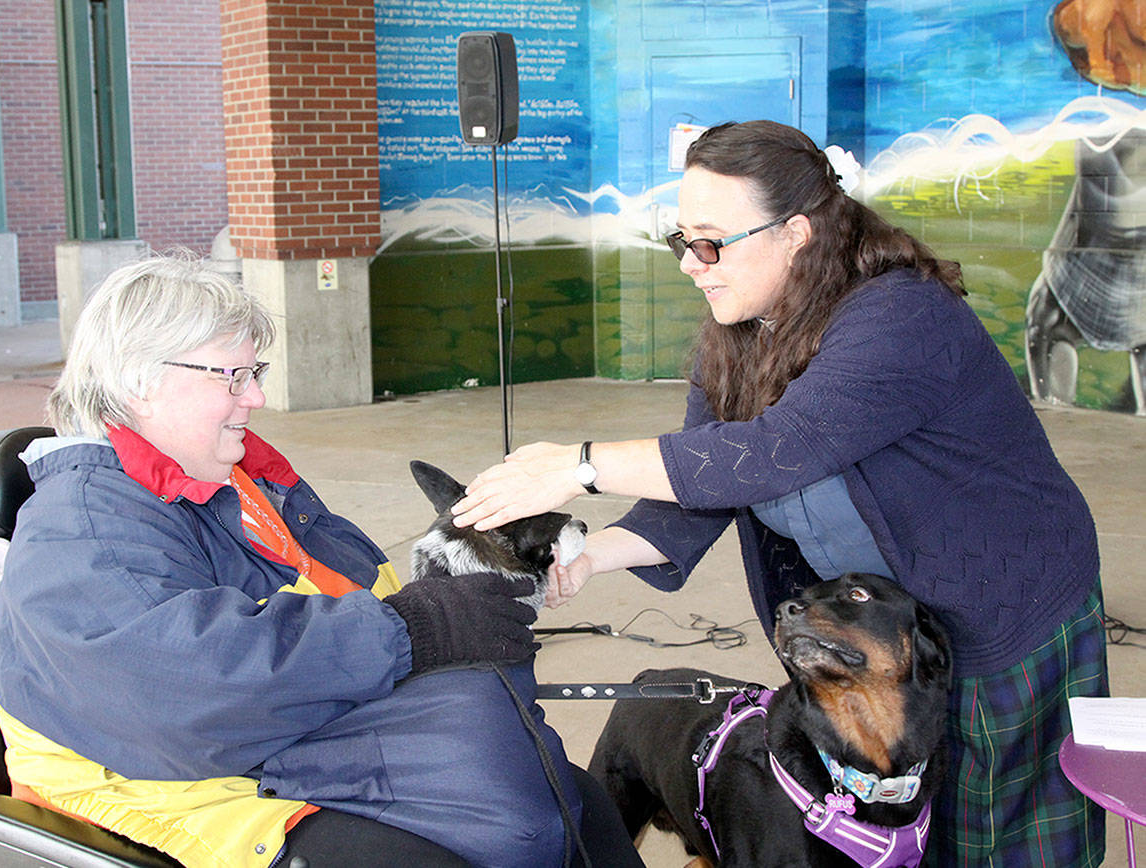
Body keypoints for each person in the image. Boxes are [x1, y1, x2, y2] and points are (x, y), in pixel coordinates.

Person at [452, 120, 1110, 867]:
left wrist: (578, 465)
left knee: (993, 838)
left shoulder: (901, 316)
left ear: (795, 232)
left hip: (998, 608)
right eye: (680, 242)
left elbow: (774, 453)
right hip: (873, 623)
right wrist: (587, 556)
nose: (692, 266)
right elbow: (703, 483)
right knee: (889, 835)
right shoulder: (737, 332)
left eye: (711, 242)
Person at [0, 255, 643, 868]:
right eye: (232, 376)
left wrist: (453, 590)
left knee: (576, 807)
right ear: (140, 382)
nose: (256, 398)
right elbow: (188, 691)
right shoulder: (86, 525)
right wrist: (415, 630)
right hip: (162, 784)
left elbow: (349, 587)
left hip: (291, 733)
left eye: (255, 373)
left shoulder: (239, 479)